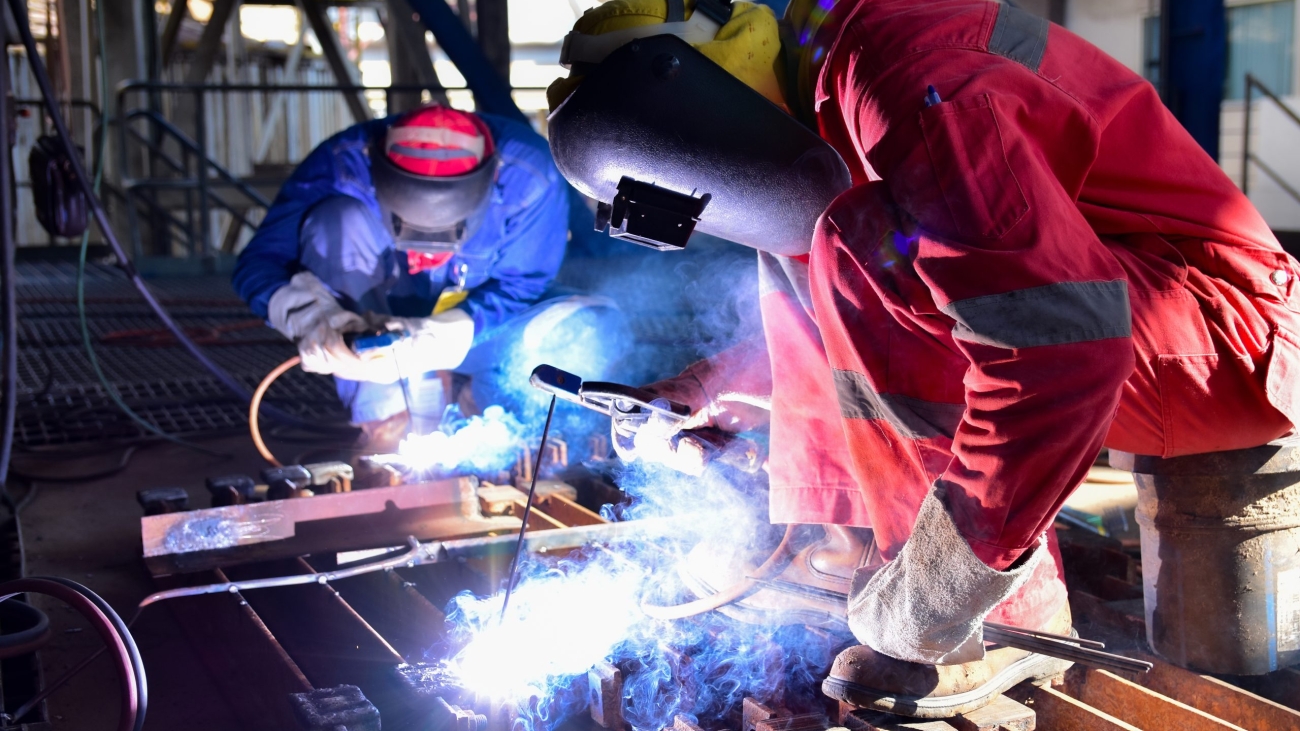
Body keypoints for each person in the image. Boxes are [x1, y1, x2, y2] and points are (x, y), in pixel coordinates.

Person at [546, 0, 1300, 718]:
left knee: (858, 240)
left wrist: (940, 586)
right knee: (814, 236)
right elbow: (892, 307)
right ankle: (842, 535)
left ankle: (1000, 609)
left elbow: (1058, 345)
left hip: (1234, 332)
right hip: (1143, 317)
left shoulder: (909, 79)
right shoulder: (825, 85)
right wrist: (707, 385)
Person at [234, 103, 621, 448]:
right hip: (371, 335)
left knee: (587, 332)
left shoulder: (528, 175)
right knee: (337, 221)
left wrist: (443, 337)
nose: (426, 254)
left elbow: (523, 284)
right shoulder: (341, 163)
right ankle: (385, 417)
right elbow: (260, 263)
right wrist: (315, 319)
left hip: (474, 328)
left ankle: (477, 407)